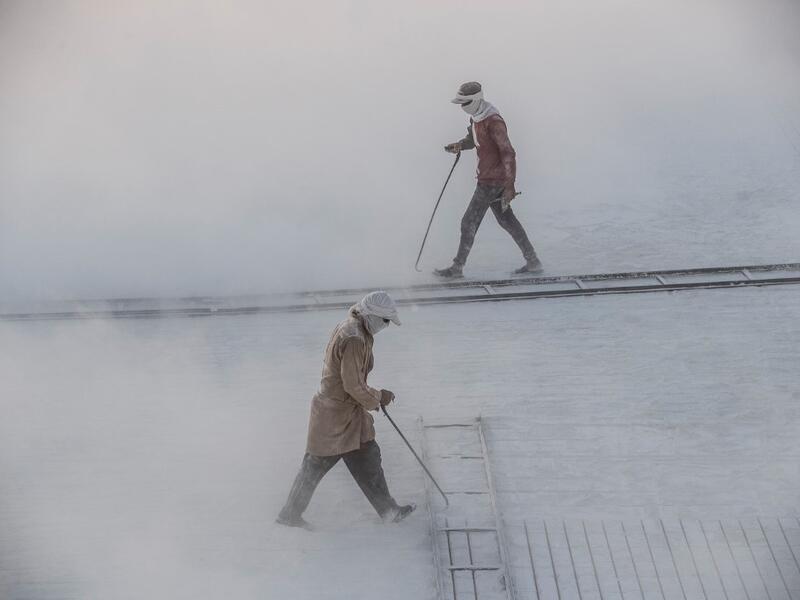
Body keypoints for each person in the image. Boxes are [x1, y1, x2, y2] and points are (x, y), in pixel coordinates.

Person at [276, 291, 415, 529]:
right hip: (333, 415)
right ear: (372, 315)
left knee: (368, 456)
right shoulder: (354, 338)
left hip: (346, 412)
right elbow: (352, 384)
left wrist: (373, 398)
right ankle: (289, 515)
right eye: (385, 320)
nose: (386, 326)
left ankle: (388, 510)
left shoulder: (357, 329)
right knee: (315, 465)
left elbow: (353, 383)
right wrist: (379, 397)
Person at [435, 81, 542, 278]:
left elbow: (508, 153)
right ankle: (533, 261)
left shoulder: (494, 121)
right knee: (507, 220)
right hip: (489, 178)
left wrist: (510, 185)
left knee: (469, 222)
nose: (462, 107)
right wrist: (460, 145)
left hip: (492, 182)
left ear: (476, 100)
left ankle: (457, 268)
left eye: (465, 103)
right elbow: (473, 140)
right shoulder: (476, 118)